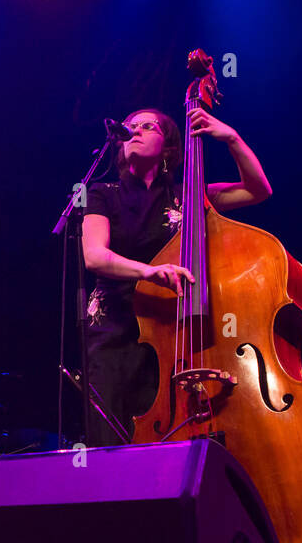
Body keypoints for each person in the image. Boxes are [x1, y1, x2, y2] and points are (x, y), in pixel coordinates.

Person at [81, 107, 272, 446]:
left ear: (168, 146)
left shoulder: (189, 194)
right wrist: (149, 272)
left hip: (167, 334)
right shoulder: (102, 192)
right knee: (108, 442)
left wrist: (231, 137)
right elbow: (94, 256)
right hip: (115, 329)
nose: (135, 131)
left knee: (158, 441)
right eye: (129, 127)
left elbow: (257, 190)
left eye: (147, 126)